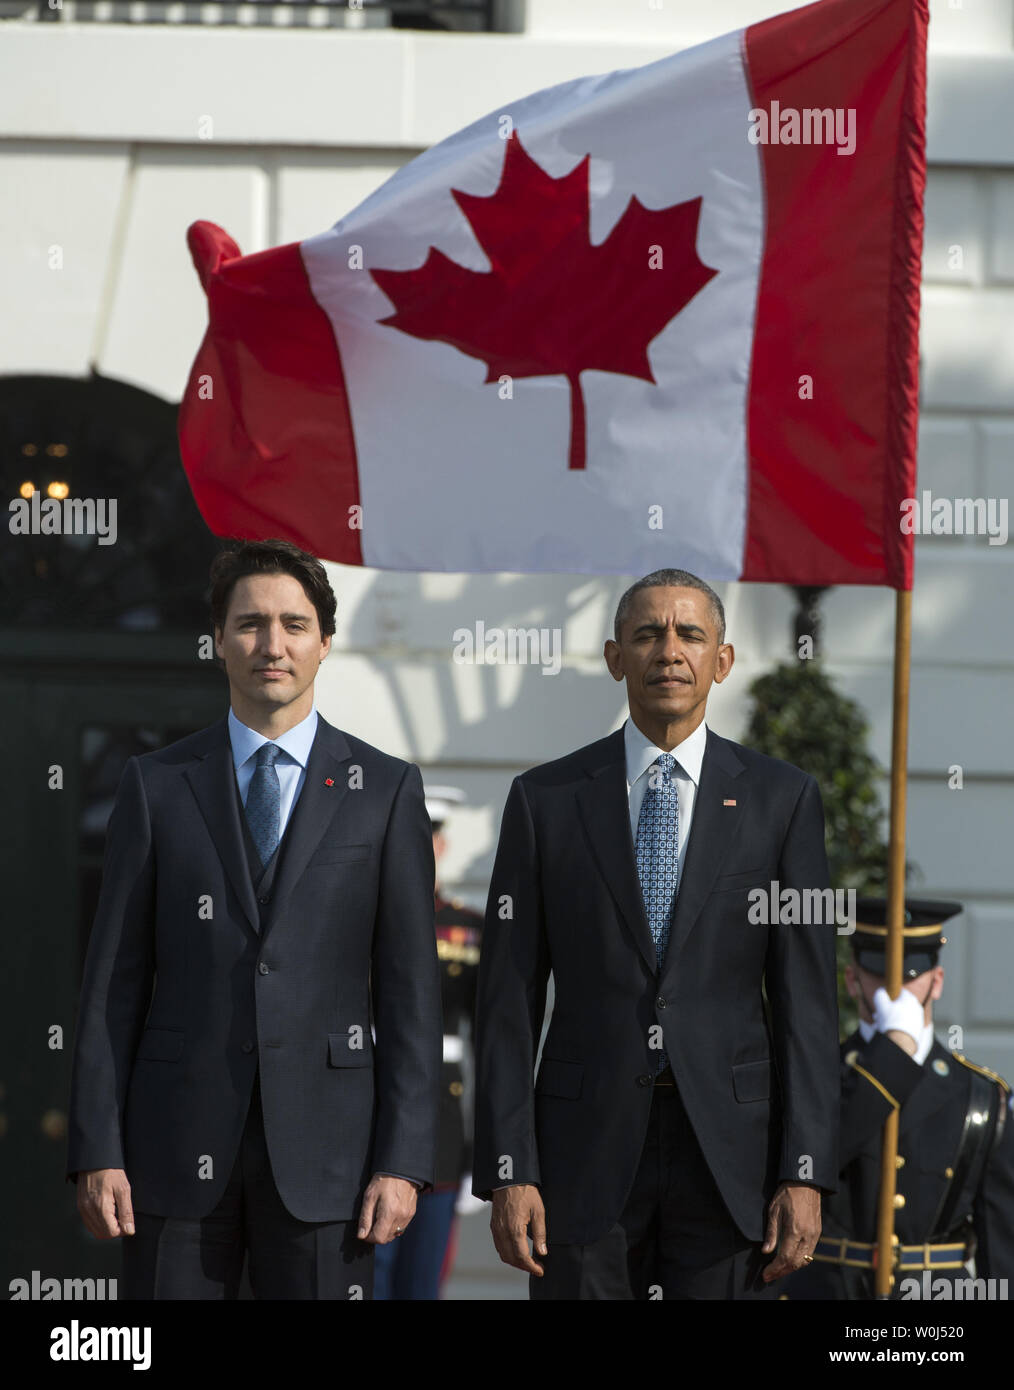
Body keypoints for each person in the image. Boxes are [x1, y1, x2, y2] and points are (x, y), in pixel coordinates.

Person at [66, 539, 442, 1299]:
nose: (272, 644)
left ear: (325, 642)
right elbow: (113, 985)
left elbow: (411, 994)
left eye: (294, 625)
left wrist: (402, 1161)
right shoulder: (156, 786)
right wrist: (97, 1147)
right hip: (172, 1155)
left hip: (331, 1162)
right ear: (217, 641)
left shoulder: (386, 792)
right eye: (250, 624)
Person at [473, 568, 840, 1300]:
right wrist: (511, 1169)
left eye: (690, 635)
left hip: (731, 1159)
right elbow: (505, 1006)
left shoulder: (784, 800)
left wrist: (804, 1171)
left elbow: (808, 1003)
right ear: (615, 658)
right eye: (647, 634)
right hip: (581, 1159)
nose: (668, 651)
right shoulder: (544, 802)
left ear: (722, 660)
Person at [785, 897, 1014, 1300]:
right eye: (879, 973)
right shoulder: (816, 1076)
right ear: (852, 979)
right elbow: (817, 1160)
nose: (896, 988)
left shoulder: (980, 1095)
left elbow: (1001, 1249)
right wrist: (893, 1055)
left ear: (936, 981)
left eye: (912, 976)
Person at [373, 785, 483, 1300]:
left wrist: (486, 1153)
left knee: (421, 1285)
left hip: (441, 1130)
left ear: (441, 847)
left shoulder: (468, 929)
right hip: (362, 1122)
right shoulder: (359, 918)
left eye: (429, 840)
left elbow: (494, 1044)